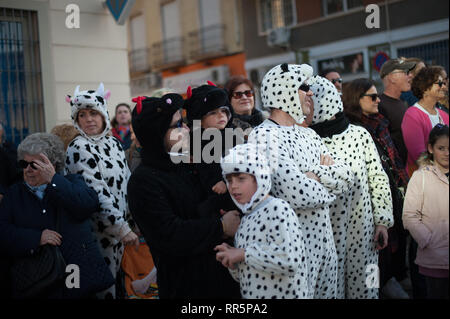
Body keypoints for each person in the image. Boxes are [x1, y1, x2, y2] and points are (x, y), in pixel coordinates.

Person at [248, 63, 354, 299]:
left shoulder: (309, 133)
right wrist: (325, 177)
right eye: (304, 87)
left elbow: (347, 177)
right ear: (283, 90)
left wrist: (313, 175)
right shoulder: (264, 135)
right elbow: (297, 193)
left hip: (326, 246)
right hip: (293, 249)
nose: (311, 93)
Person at [127, 93, 241, 298]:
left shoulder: (187, 165)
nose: (187, 129)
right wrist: (221, 226)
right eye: (178, 124)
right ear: (158, 133)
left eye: (185, 122)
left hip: (224, 280)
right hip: (188, 288)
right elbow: (170, 234)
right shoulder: (143, 181)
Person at [0, 132, 115, 298]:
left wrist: (53, 180)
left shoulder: (72, 182)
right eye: (24, 163)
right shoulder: (14, 194)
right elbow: (3, 232)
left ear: (52, 164)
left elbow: (86, 206)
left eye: (35, 165)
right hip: (35, 279)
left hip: (73, 272)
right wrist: (36, 237)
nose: (28, 170)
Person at [310, 75, 393, 299]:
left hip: (366, 237)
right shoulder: (309, 141)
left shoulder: (360, 134)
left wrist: (382, 221)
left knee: (369, 286)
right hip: (327, 239)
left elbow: (378, 177)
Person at [64, 83, 138, 299]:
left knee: (120, 285)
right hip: (96, 235)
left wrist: (134, 220)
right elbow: (97, 192)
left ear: (104, 115)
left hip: (120, 232)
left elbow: (127, 182)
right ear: (76, 120)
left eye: (94, 113)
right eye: (82, 115)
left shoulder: (113, 143)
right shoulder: (78, 147)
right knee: (104, 290)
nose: (89, 119)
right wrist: (122, 228)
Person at [343, 78, 410, 299]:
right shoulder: (354, 131)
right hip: (368, 214)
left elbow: (393, 161)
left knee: (394, 255)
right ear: (356, 99)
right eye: (372, 96)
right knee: (376, 264)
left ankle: (389, 284)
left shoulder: (380, 122)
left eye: (377, 95)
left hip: (391, 201)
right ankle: (380, 290)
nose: (378, 100)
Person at [215, 143, 309, 299]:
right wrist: (232, 261)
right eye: (229, 180)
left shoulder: (278, 208)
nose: (233, 186)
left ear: (259, 177)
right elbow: (245, 276)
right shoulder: (246, 219)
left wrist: (243, 254)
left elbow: (290, 260)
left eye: (241, 178)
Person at [403, 124, 449, 299]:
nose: (446, 153)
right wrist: (427, 239)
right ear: (431, 148)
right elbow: (410, 215)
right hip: (433, 258)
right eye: (441, 148)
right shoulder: (421, 177)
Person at [402, 66, 449, 176]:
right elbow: (419, 156)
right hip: (425, 180)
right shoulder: (412, 115)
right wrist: (439, 176)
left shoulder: (444, 115)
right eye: (440, 84)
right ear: (425, 88)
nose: (445, 88)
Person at [378, 58, 416, 165]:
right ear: (392, 77)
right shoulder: (380, 106)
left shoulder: (401, 103)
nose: (410, 76)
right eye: (405, 72)